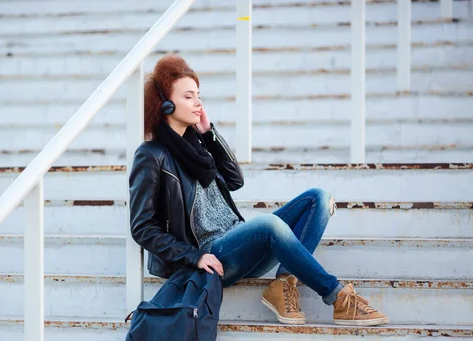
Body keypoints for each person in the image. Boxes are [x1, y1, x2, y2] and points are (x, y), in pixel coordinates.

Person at [129, 54, 389, 326]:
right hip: (212, 256)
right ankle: (338, 298)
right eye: (188, 96)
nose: (198, 103)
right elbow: (143, 227)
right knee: (268, 224)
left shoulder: (199, 147)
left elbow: (235, 180)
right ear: (166, 105)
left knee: (318, 199)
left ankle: (283, 285)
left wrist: (209, 134)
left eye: (199, 95)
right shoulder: (152, 156)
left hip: (239, 244)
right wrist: (194, 257)